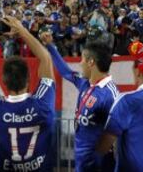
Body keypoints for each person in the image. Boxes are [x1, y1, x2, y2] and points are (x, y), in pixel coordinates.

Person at [0, 15, 56, 172]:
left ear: (3, 82)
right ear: (29, 79)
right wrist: (22, 30)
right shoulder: (42, 104)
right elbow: (46, 59)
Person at [40, 31, 119, 172]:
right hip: (81, 162)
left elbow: (116, 134)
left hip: (97, 165)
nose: (80, 63)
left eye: (82, 59)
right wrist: (50, 46)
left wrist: (96, 159)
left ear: (91, 62)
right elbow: (65, 72)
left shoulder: (110, 95)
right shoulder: (84, 83)